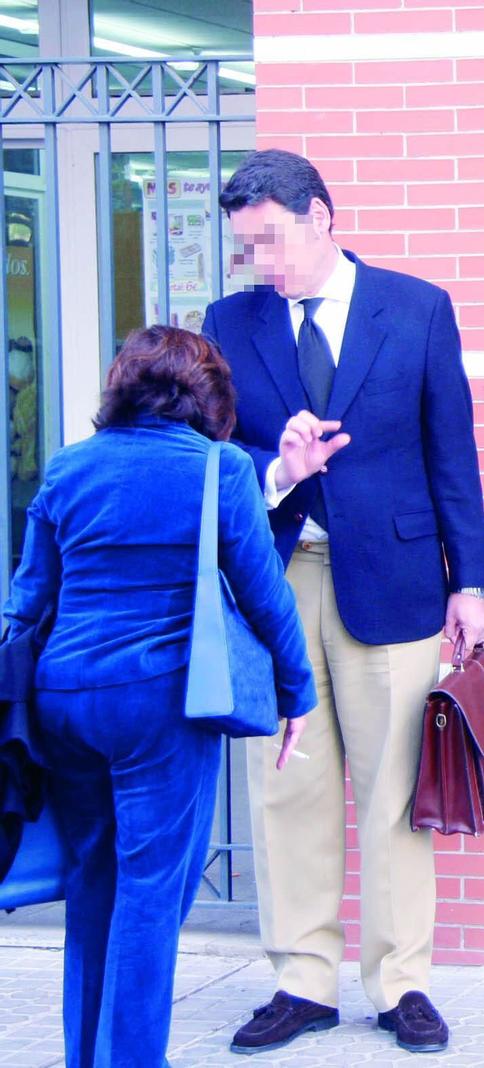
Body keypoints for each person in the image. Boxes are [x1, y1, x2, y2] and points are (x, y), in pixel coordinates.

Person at [204, 149, 484, 1055]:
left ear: (321, 216)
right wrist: (277, 470)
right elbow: (211, 459)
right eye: (247, 247)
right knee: (286, 784)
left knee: (395, 791)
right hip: (276, 582)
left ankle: (400, 983)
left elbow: (453, 452)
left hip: (398, 583)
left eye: (272, 240)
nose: (261, 263)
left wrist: (470, 584)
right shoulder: (228, 321)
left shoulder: (416, 309)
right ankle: (302, 981)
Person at [2, 326, 314, 1067]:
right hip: (164, 702)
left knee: (93, 885)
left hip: (66, 699)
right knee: (151, 893)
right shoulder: (220, 470)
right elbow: (264, 594)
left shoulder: (66, 468)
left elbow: (27, 602)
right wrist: (295, 691)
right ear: (209, 399)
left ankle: (92, 1057)